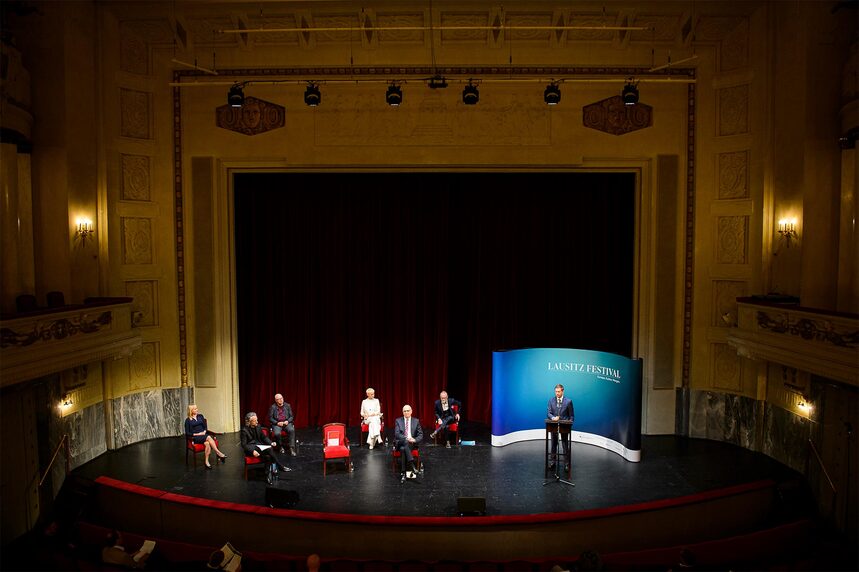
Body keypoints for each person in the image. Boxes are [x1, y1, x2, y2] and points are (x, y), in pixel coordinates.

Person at [240, 411, 287, 484]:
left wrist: (271, 442)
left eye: (257, 420)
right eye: (254, 421)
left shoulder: (258, 426)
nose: (257, 422)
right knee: (270, 449)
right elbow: (244, 445)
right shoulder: (244, 431)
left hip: (260, 446)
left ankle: (267, 476)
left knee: (268, 457)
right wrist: (252, 451)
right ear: (249, 422)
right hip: (251, 449)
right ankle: (280, 466)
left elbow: (264, 437)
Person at [185, 404, 227, 469]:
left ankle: (206, 462)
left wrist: (204, 431)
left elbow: (205, 427)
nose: (197, 410)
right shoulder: (188, 420)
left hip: (204, 435)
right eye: (195, 409)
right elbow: (187, 433)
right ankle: (218, 453)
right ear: (191, 411)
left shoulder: (200, 416)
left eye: (197, 408)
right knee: (209, 437)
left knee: (207, 444)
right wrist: (198, 434)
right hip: (196, 437)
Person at [547, 384, 575, 471]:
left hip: (564, 426)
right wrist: (553, 418)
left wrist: (569, 423)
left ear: (562, 391)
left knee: (565, 444)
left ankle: (566, 463)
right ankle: (553, 461)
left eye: (559, 391)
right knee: (553, 444)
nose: (557, 393)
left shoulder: (568, 401)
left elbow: (572, 416)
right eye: (556, 392)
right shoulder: (551, 401)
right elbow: (549, 413)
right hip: (553, 426)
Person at [393, 404, 423, 481]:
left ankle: (403, 473)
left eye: (408, 411)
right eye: (404, 411)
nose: (406, 412)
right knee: (405, 442)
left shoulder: (416, 421)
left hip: (411, 444)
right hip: (400, 442)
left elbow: (420, 434)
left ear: (411, 411)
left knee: (403, 449)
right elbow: (397, 434)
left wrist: (414, 440)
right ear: (403, 412)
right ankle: (412, 465)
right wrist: (407, 438)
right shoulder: (398, 420)